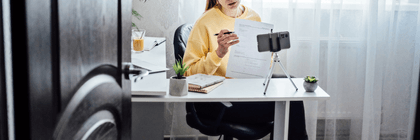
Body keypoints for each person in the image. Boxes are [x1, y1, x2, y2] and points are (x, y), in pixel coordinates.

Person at [183, 0, 308, 139]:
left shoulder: (253, 17)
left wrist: (267, 56)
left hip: (246, 89)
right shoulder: (204, 22)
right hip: (218, 100)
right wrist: (218, 54)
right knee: (290, 105)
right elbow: (188, 74)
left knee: (292, 87)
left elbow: (262, 64)